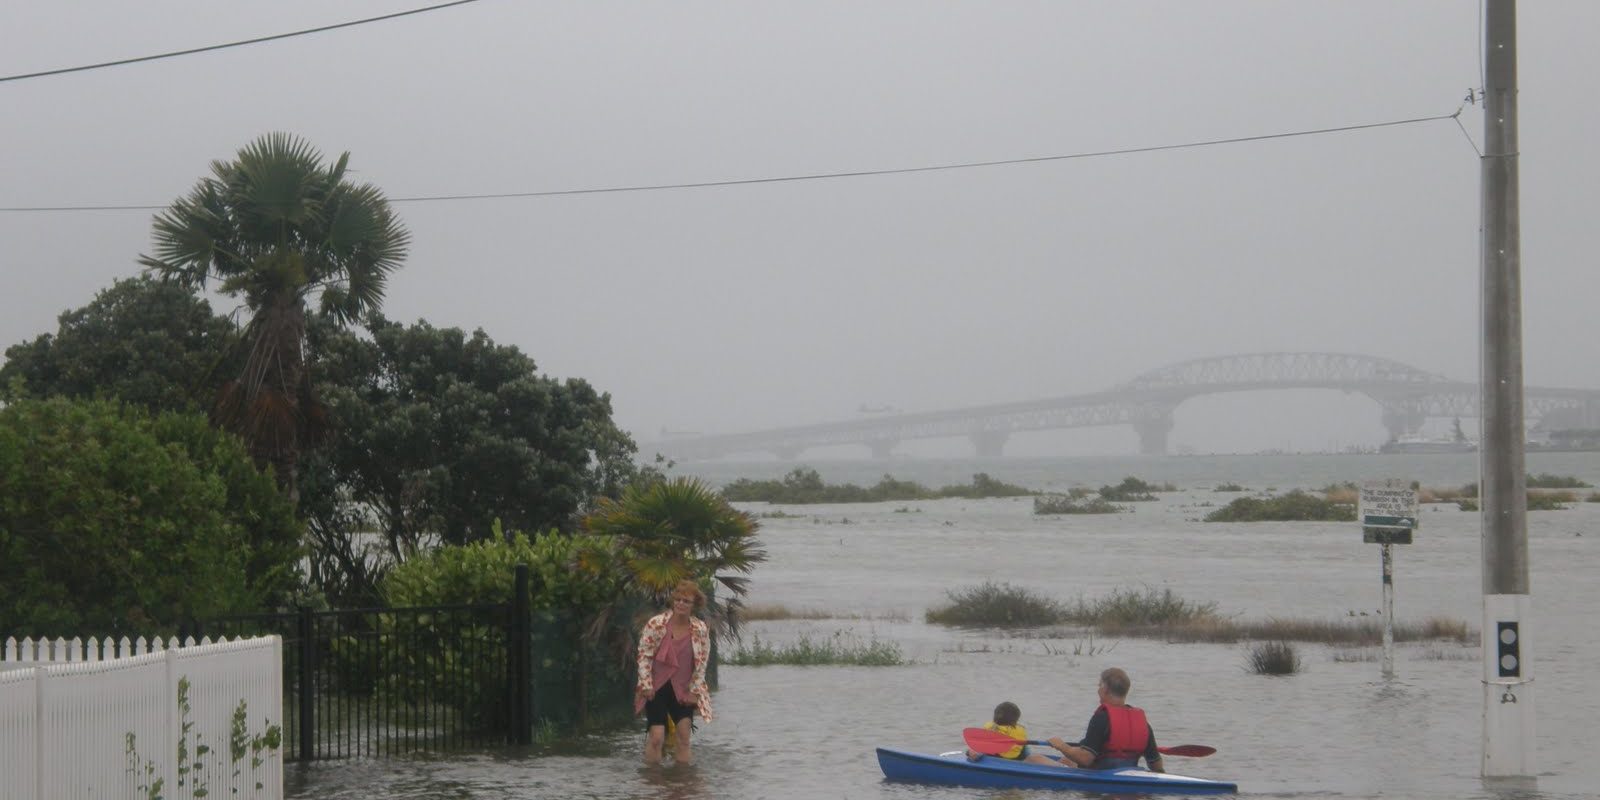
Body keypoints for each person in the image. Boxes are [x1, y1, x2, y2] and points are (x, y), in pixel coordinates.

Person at [634, 580, 714, 765]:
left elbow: (702, 663)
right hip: (657, 686)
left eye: (686, 601)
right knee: (656, 737)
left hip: (684, 688)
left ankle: (683, 783)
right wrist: (645, 684)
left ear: (694, 605)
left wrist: (695, 691)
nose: (681, 604)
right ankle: (652, 781)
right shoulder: (656, 624)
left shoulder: (700, 629)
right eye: (677, 600)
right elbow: (644, 655)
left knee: (684, 736)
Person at [1028, 667, 1164, 772]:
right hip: (1126, 774)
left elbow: (1085, 759)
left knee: (1033, 759)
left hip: (1100, 775)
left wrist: (1061, 745)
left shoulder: (1102, 718)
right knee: (1067, 760)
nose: (1098, 690)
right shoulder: (1143, 724)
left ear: (1105, 689)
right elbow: (1156, 765)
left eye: (1099, 685)